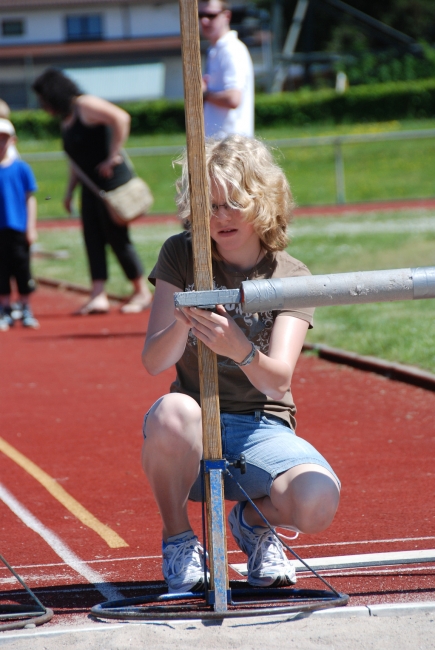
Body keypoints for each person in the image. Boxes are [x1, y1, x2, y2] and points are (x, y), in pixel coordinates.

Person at [141, 135, 340, 594]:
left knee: (318, 502)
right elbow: (154, 362)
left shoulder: (290, 275)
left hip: (263, 425)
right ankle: (178, 540)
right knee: (173, 412)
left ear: (262, 202)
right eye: (208, 205)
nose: (220, 217)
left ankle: (250, 522)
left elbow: (278, 382)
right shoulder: (181, 253)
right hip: (196, 421)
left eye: (233, 203)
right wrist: (181, 324)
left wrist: (238, 347)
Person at [32, 68, 153, 315]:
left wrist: (113, 155)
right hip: (90, 188)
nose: (41, 106)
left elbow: (121, 118)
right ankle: (98, 295)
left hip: (111, 183)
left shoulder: (84, 105)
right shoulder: (66, 120)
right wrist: (68, 192)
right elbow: (76, 162)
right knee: (92, 240)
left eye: (43, 99)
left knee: (117, 237)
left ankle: (141, 290)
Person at [0, 118, 39, 331]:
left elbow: (30, 198)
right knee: (2, 271)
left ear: (12, 141)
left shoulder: (22, 168)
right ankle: (5, 308)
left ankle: (25, 307)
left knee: (22, 269)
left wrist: (31, 227)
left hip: (17, 227)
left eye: (4, 139)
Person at [199, 0, 254, 139]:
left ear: (226, 16)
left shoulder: (231, 49)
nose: (204, 20)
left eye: (211, 15)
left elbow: (233, 98)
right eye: (200, 15)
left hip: (231, 146)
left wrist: (204, 93)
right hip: (222, 144)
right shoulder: (216, 50)